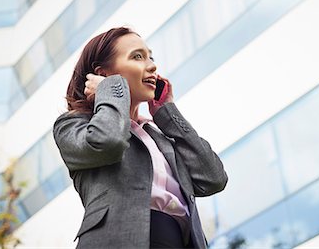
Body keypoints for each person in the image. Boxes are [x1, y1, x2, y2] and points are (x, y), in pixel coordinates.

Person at [52, 27, 228, 249]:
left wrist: (168, 114)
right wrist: (111, 89)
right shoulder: (74, 124)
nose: (152, 66)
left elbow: (213, 178)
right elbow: (109, 142)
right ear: (103, 73)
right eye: (137, 57)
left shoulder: (158, 135)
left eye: (150, 57)